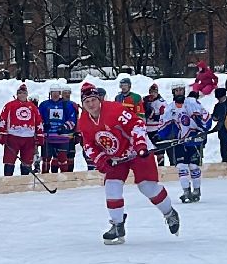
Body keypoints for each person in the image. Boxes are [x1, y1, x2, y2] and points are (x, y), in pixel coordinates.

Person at [75, 81, 178, 244]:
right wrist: (102, 160)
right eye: (87, 102)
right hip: (116, 157)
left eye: (93, 100)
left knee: (147, 187)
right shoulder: (84, 122)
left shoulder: (114, 110)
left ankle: (169, 213)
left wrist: (140, 145)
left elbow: (136, 125)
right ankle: (117, 225)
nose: (91, 104)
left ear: (99, 99)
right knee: (111, 187)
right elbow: (88, 145)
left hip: (137, 151)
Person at [158, 83, 211, 202]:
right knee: (181, 166)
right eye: (177, 90)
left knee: (193, 166)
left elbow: (205, 118)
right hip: (179, 141)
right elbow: (163, 127)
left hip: (194, 141)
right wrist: (162, 135)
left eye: (181, 90)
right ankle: (186, 191)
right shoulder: (170, 108)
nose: (179, 92)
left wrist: (202, 128)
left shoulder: (192, 103)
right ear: (173, 92)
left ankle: (196, 190)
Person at [0, 83, 42, 176]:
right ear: (17, 94)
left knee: (27, 161)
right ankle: (7, 180)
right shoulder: (10, 105)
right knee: (9, 160)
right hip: (13, 136)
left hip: (28, 137)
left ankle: (25, 181)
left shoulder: (32, 107)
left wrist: (39, 135)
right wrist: (2, 133)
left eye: (24, 93)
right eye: (20, 93)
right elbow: (3, 119)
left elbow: (38, 121)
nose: (22, 95)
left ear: (27, 94)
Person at [39, 85, 78, 173]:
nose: (55, 95)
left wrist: (65, 127)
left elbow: (72, 119)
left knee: (62, 159)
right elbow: (38, 118)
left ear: (60, 94)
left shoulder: (67, 105)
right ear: (50, 94)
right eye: (53, 93)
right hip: (48, 137)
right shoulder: (44, 105)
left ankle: (64, 178)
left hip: (62, 137)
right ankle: (45, 177)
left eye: (57, 93)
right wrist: (43, 125)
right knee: (46, 159)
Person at [211, 89, 227, 162]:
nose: (219, 100)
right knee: (224, 148)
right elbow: (215, 117)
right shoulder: (217, 106)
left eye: (220, 98)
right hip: (222, 129)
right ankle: (224, 161)